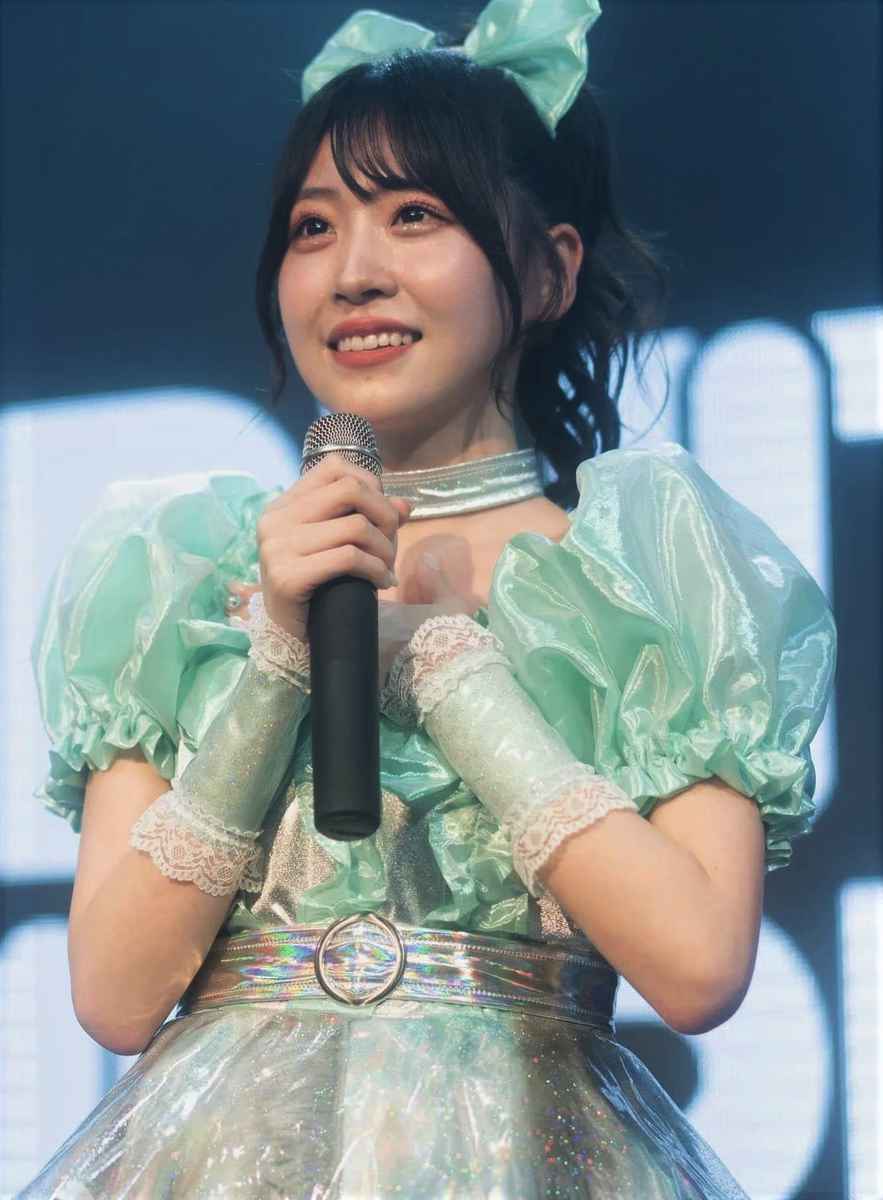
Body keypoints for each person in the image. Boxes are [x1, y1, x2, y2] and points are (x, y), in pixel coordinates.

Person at [19, 1, 837, 1196]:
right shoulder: (176, 572)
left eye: (414, 215)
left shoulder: (641, 571)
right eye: (313, 227)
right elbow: (113, 996)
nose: (354, 273)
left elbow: (698, 967)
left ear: (547, 270)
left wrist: (453, 671)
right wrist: (279, 662)